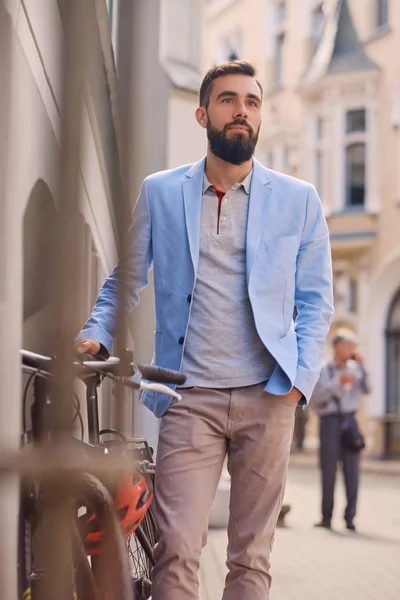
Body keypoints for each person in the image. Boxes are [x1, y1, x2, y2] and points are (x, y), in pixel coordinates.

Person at [75, 61, 334, 600]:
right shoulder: (162, 192)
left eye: (253, 102)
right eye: (228, 100)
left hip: (269, 396)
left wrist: (298, 379)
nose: (242, 110)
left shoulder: (299, 199)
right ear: (203, 113)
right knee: (176, 550)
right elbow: (126, 276)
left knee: (252, 557)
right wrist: (95, 332)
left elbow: (315, 300)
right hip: (189, 395)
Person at [311, 328, 371, 532]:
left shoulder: (356, 369)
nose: (352, 349)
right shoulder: (324, 370)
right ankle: (326, 517)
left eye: (354, 346)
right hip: (329, 422)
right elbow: (315, 398)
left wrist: (363, 366)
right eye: (348, 345)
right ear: (338, 347)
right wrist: (338, 383)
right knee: (328, 470)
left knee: (352, 471)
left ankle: (350, 517)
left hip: (350, 421)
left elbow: (369, 388)